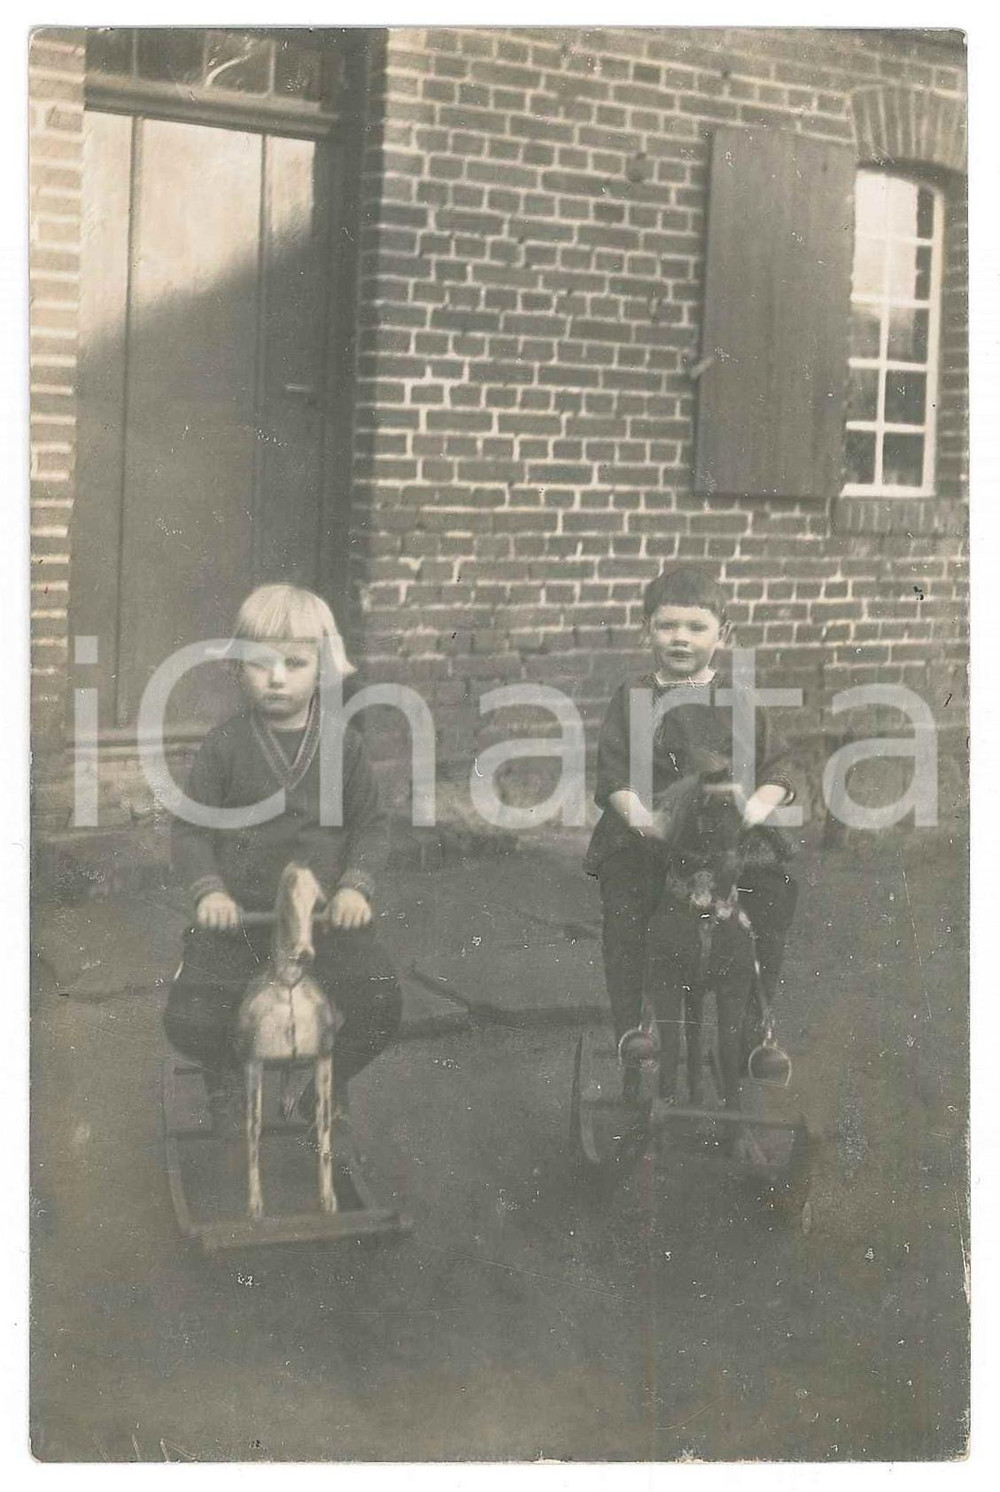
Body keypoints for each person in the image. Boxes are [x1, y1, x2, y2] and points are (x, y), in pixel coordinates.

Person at [164, 583, 402, 1107]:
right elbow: (191, 831)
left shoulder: (344, 747)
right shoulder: (224, 747)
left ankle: (325, 1086)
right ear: (238, 668)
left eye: (295, 663)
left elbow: (371, 825)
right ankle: (228, 1075)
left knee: (381, 1002)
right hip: (241, 923)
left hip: (322, 924)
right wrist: (210, 893)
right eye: (260, 663)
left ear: (323, 668)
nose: (277, 677)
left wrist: (354, 889)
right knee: (190, 1017)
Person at [585, 566, 799, 1102]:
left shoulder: (738, 700)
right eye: (667, 626)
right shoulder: (634, 696)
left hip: (726, 838)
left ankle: (753, 1027)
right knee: (627, 905)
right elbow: (612, 777)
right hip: (652, 835)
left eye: (696, 627)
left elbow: (778, 769)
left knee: (772, 893)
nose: (680, 638)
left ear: (722, 634)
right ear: (647, 631)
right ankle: (636, 1032)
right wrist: (646, 821)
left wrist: (752, 810)